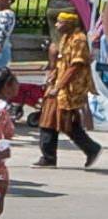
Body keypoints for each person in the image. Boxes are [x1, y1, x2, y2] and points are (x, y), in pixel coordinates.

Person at [38, 9, 99, 168]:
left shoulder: (78, 40)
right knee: (52, 119)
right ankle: (49, 156)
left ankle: (90, 149)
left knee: (61, 121)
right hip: (59, 85)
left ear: (69, 24)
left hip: (70, 88)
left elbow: (75, 67)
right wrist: (53, 75)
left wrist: (59, 86)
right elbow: (62, 62)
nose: (56, 25)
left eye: (60, 22)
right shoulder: (65, 38)